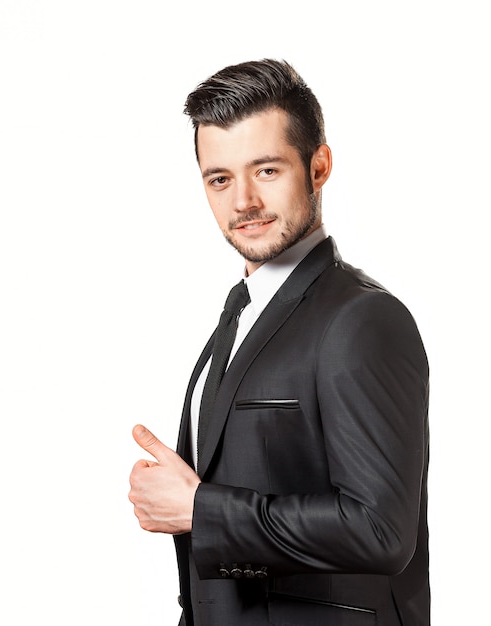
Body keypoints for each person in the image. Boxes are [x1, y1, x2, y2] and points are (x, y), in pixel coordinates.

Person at [128, 59, 430, 626]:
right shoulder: (239, 315)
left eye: (266, 170)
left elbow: (381, 530)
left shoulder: (363, 319)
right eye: (220, 178)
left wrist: (201, 509)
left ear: (319, 168)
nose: (242, 200)